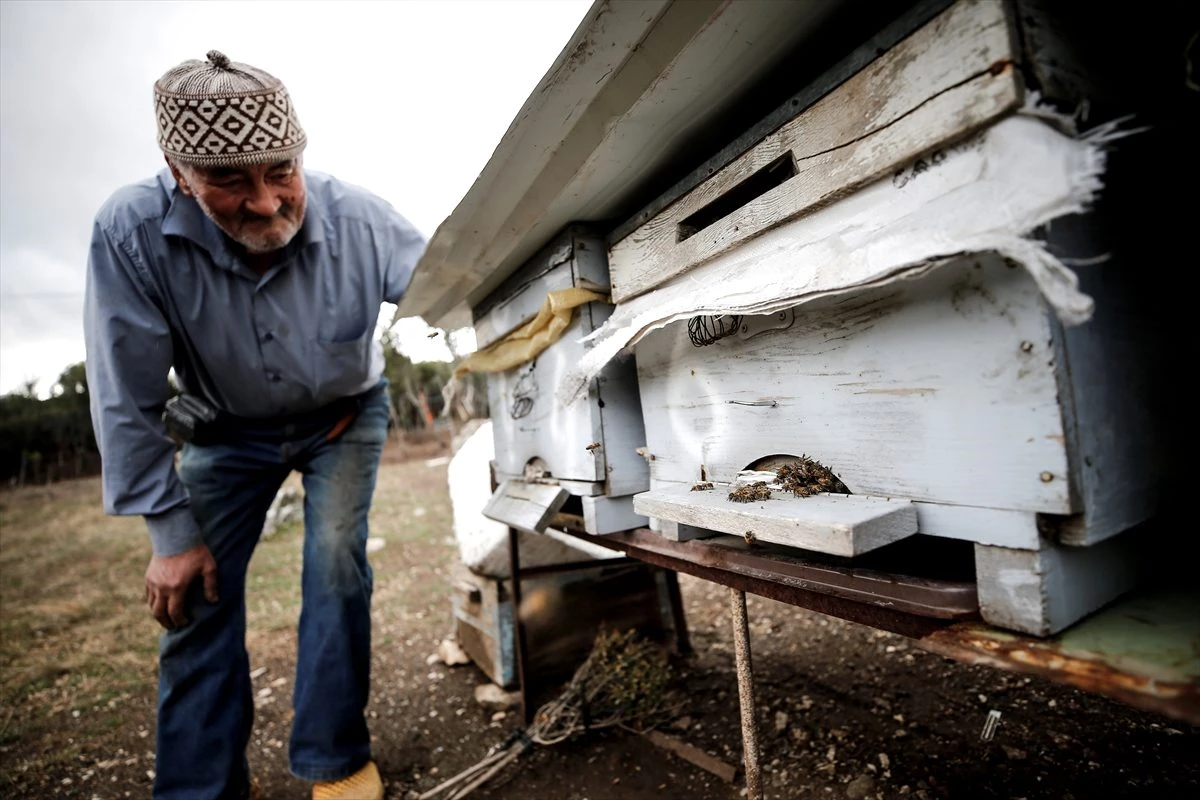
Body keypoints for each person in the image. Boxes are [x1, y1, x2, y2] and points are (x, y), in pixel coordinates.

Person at [83, 50, 426, 800]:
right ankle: (201, 789)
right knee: (194, 597)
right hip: (226, 429)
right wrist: (170, 535)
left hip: (343, 417)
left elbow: (463, 287)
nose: (267, 202)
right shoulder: (130, 231)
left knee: (336, 568)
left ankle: (335, 759)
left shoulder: (362, 218)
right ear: (179, 172)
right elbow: (124, 392)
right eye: (230, 180)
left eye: (281, 171)